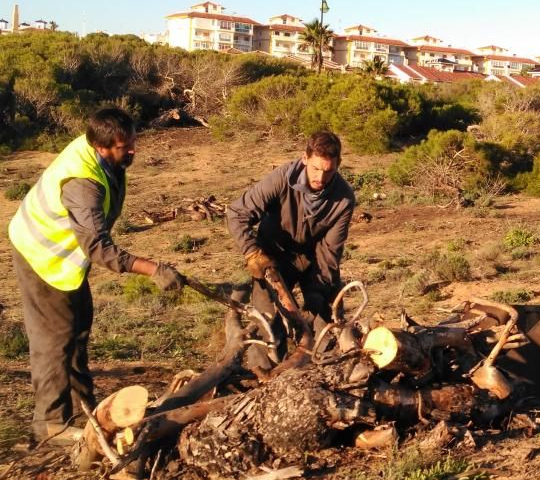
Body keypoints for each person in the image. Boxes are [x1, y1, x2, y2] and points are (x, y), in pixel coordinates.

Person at [8, 107, 185, 444]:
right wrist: (153, 269)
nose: (133, 150)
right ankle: (51, 424)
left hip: (65, 258)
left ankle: (84, 410)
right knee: (55, 339)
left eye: (133, 141)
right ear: (101, 146)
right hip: (41, 255)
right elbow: (100, 249)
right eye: (124, 147)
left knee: (79, 327)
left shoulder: (101, 154)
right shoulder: (83, 185)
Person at [226, 131, 355, 360]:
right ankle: (263, 375)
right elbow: (237, 213)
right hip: (273, 257)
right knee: (265, 321)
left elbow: (330, 253)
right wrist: (252, 252)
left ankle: (326, 366)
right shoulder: (282, 178)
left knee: (328, 318)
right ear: (304, 159)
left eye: (328, 171)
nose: (321, 178)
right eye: (315, 168)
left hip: (315, 259)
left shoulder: (344, 198)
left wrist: (318, 293)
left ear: (338, 165)